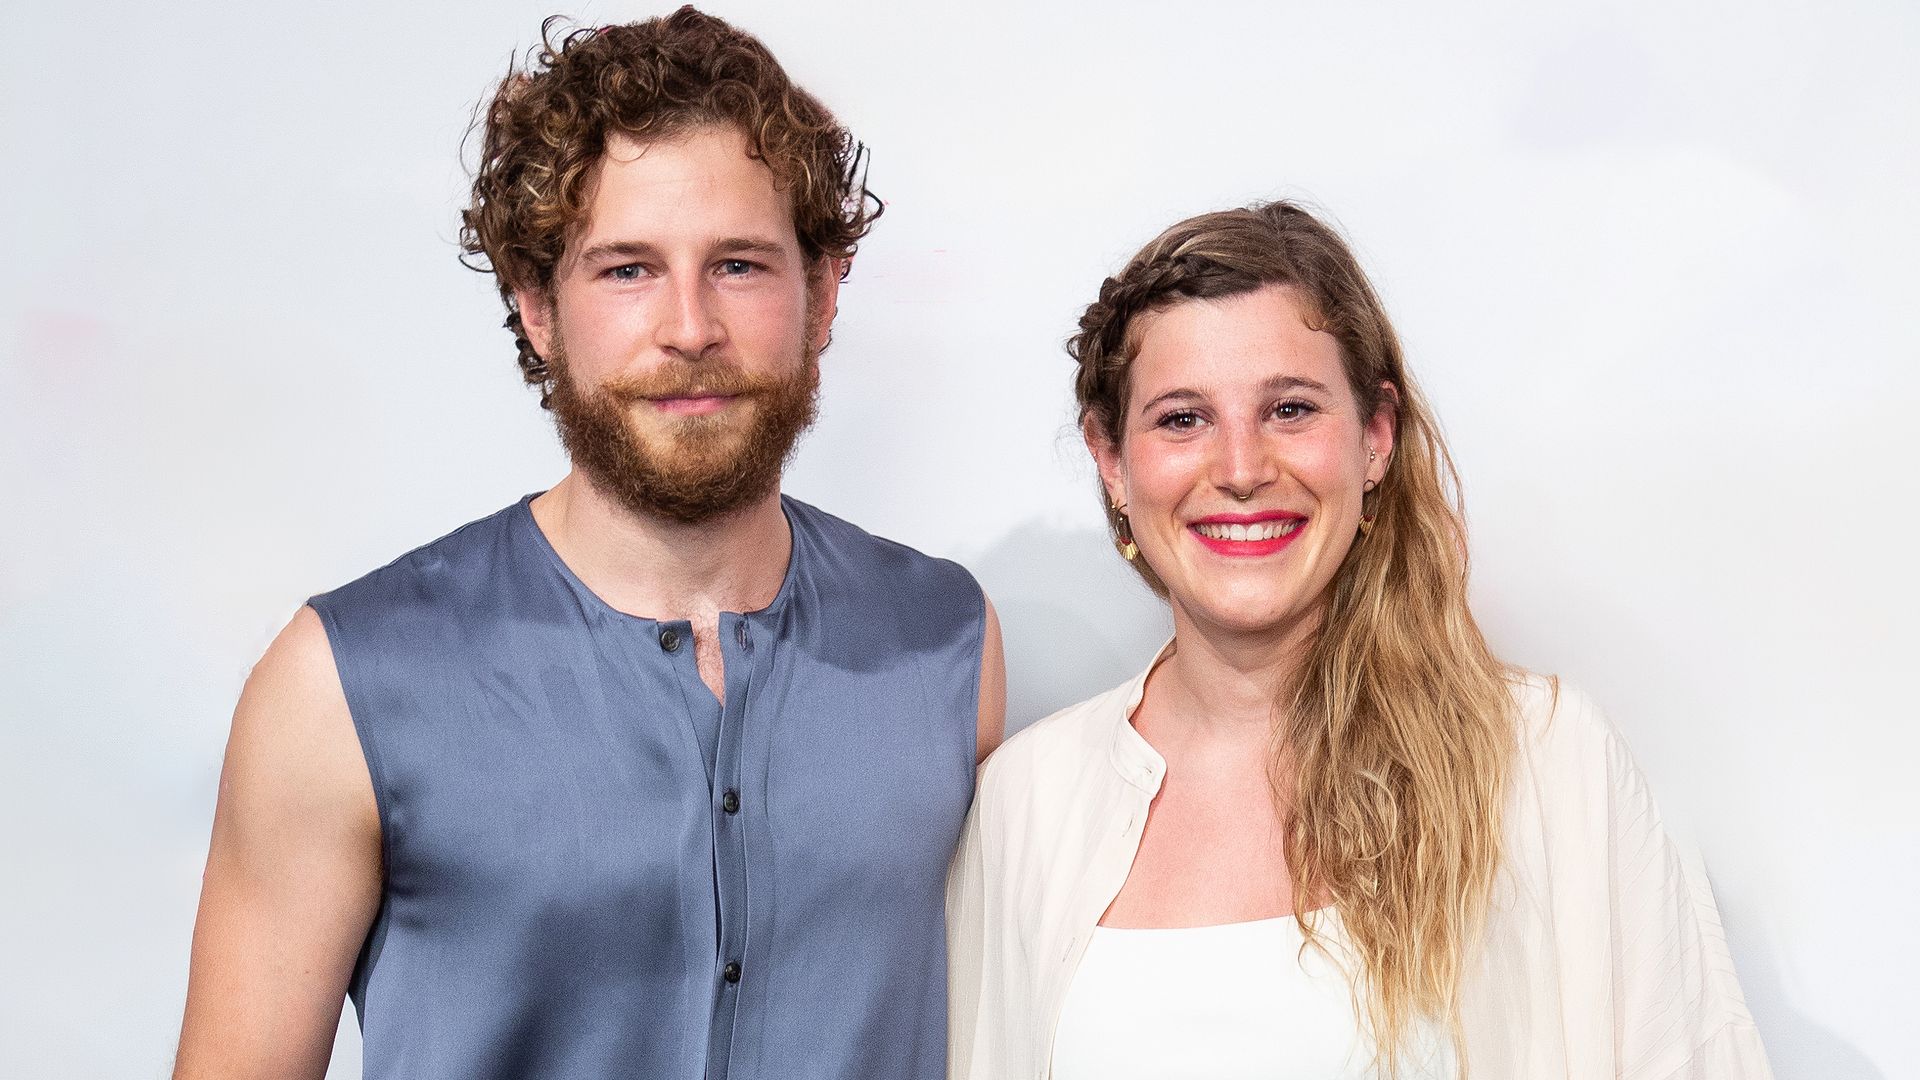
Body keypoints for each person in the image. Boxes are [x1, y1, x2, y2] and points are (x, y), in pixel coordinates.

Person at [174, 9, 1005, 1079]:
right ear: (537, 307)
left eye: (740, 265)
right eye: (626, 270)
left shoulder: (945, 644)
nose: (690, 327)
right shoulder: (341, 683)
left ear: (824, 291)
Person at [946, 201, 1769, 1079]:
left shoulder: (1543, 763)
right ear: (1112, 462)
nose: (1240, 469)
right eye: (1182, 419)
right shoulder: (1023, 807)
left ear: (1375, 437)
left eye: (1291, 409)